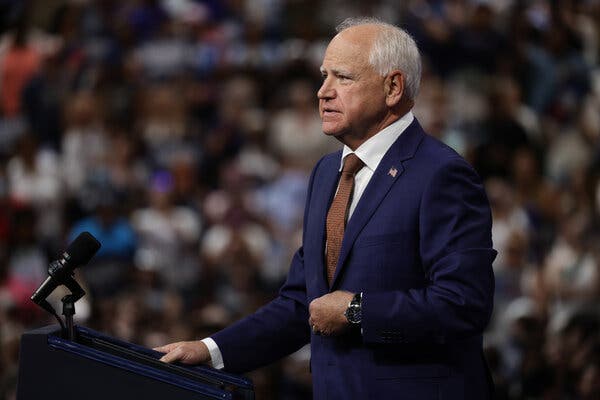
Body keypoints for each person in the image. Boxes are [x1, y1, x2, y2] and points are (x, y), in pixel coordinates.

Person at [155, 17, 496, 399]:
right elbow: (306, 303)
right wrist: (210, 350)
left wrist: (357, 310)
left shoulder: (442, 175)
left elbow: (464, 305)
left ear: (393, 87)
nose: (322, 92)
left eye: (343, 78)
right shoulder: (326, 173)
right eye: (324, 76)